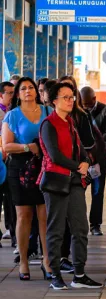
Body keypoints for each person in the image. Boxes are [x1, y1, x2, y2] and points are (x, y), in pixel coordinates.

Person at [39, 82, 102, 290]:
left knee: (80, 228)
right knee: (56, 230)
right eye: (65, 97)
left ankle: (79, 274)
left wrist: (84, 162)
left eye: (72, 97)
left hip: (74, 181)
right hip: (56, 182)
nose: (70, 101)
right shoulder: (49, 124)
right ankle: (55, 274)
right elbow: (55, 155)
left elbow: (79, 147)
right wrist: (79, 165)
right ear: (54, 100)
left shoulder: (70, 123)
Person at [1, 77, 51, 280]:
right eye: (23, 88)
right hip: (20, 169)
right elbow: (7, 145)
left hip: (45, 168)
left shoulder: (48, 112)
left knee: (44, 216)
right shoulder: (12, 116)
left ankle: (47, 260)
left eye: (31, 87)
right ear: (18, 94)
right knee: (23, 216)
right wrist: (27, 147)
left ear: (36, 92)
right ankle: (23, 261)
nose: (28, 91)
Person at [80, 86, 106, 236]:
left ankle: (95, 224)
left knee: (98, 191)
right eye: (83, 103)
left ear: (94, 99)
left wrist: (95, 144)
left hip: (99, 158)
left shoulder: (105, 110)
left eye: (88, 104)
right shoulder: (78, 111)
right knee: (78, 191)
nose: (86, 107)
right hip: (82, 158)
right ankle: (79, 224)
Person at [0, 82, 15, 245]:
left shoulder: (13, 112)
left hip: (10, 162)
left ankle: (12, 231)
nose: (12, 96)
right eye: (9, 93)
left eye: (13, 92)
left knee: (10, 199)